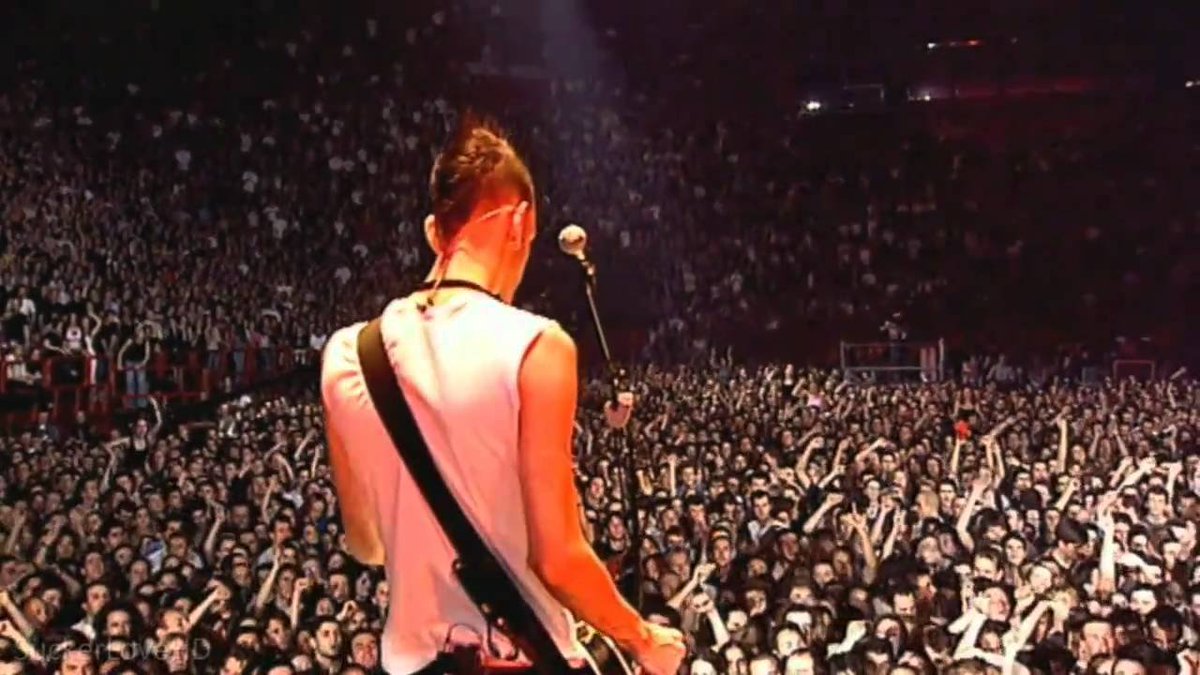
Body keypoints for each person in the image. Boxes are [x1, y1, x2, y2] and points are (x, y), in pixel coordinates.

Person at [320, 115, 686, 674]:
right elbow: (558, 560)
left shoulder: (348, 354)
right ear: (520, 222)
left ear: (433, 232)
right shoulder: (536, 346)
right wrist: (643, 638)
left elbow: (367, 544)